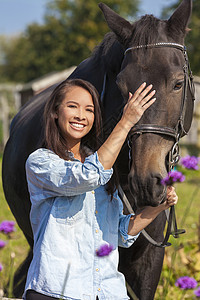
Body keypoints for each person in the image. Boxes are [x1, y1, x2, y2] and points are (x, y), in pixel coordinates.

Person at [23, 78, 178, 300]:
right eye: (72, 106)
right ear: (55, 112)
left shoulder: (104, 167)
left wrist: (157, 207)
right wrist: (126, 122)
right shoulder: (41, 163)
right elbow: (88, 176)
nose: (81, 116)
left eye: (89, 110)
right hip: (58, 290)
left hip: (107, 291)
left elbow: (119, 234)